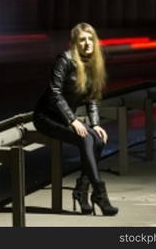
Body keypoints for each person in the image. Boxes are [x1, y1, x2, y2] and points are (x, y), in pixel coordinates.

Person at [33, 22, 118, 216]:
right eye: (82, 40)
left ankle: (81, 190)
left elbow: (92, 97)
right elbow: (54, 93)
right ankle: (99, 194)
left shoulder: (93, 62)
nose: (88, 43)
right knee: (85, 138)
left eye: (90, 39)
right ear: (74, 43)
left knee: (98, 138)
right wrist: (73, 120)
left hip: (65, 118)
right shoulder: (65, 59)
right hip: (47, 117)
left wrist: (95, 124)